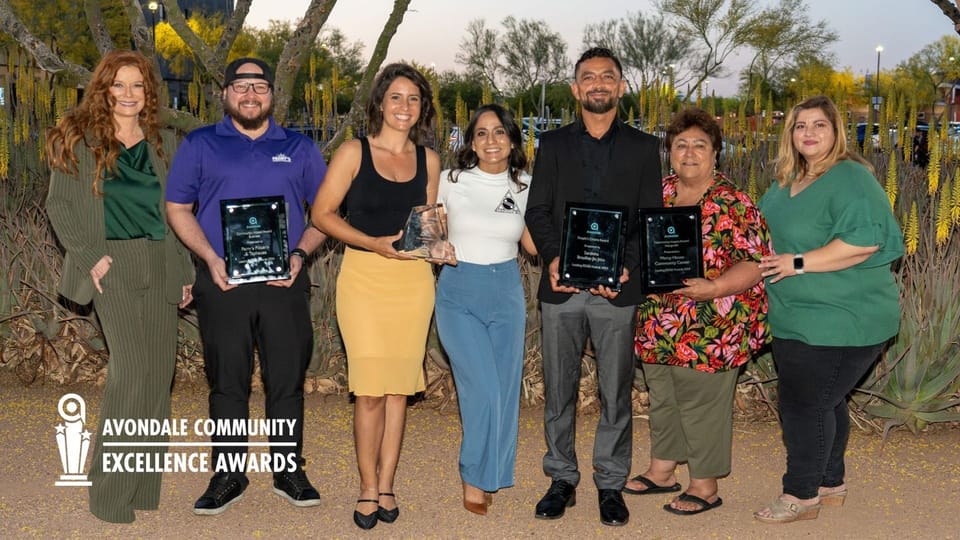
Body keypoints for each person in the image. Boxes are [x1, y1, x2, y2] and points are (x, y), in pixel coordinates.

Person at [166, 57, 327, 515]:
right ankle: (228, 473)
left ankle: (288, 471)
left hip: (285, 283)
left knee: (286, 381)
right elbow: (177, 207)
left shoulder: (299, 147)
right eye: (241, 86)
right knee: (227, 382)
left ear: (272, 95)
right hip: (221, 282)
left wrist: (298, 255)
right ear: (225, 94)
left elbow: (326, 213)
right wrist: (210, 258)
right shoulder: (199, 144)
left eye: (259, 86)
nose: (250, 94)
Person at [45, 50, 194, 523]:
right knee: (130, 374)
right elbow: (60, 207)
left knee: (156, 379)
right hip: (111, 265)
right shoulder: (79, 139)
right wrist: (91, 258)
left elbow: (174, 214)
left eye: (138, 86)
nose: (129, 95)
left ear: (148, 93)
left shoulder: (161, 143)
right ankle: (108, 494)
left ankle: (140, 487)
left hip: (159, 261)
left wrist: (184, 270)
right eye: (119, 85)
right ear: (103, 88)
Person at [524, 47, 662, 527]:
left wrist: (624, 267)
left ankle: (610, 482)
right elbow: (537, 211)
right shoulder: (554, 145)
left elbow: (649, 218)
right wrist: (555, 257)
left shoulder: (646, 149)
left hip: (617, 291)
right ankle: (561, 477)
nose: (598, 84)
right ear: (576, 88)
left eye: (608, 77)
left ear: (622, 87)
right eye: (589, 77)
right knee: (559, 389)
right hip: (561, 289)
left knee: (614, 390)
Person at [754, 95, 904, 523]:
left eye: (820, 125)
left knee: (805, 404)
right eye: (801, 125)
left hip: (843, 316)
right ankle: (829, 483)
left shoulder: (852, 179)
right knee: (827, 400)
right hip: (796, 315)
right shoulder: (786, 181)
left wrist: (797, 262)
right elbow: (758, 232)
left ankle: (801, 495)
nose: (810, 133)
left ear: (836, 132)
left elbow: (864, 242)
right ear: (790, 134)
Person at [622, 108, 771, 515]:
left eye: (699, 145)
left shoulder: (733, 202)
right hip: (660, 320)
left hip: (712, 324)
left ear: (716, 153)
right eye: (680, 144)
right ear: (669, 151)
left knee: (702, 403)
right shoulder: (659, 192)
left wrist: (716, 287)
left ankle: (704, 485)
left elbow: (756, 262)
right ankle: (662, 470)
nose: (689, 152)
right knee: (664, 395)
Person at [310, 63, 440, 530]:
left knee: (399, 391)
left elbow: (426, 223)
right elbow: (322, 214)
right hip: (363, 278)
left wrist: (440, 247)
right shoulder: (353, 152)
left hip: (412, 282)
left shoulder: (429, 160)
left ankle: (388, 484)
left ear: (422, 108)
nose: (405, 107)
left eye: (414, 99)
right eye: (396, 97)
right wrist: (371, 243)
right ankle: (367, 487)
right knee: (368, 391)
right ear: (380, 103)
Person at [435, 104, 537, 515]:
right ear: (470, 141)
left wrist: (583, 260)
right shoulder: (450, 180)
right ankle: (473, 474)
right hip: (459, 290)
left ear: (512, 139)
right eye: (481, 133)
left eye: (499, 132)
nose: (490, 141)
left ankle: (492, 470)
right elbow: (427, 226)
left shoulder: (528, 184)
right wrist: (433, 246)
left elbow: (533, 244)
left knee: (505, 388)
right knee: (483, 387)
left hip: (506, 291)